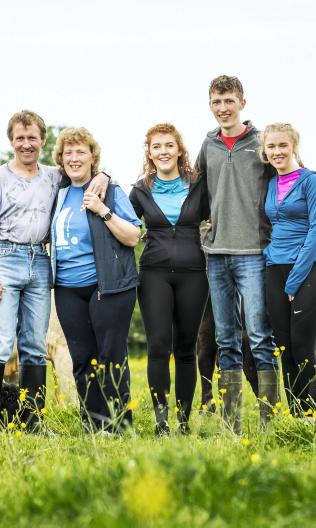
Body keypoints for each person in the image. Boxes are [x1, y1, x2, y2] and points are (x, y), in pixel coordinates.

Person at [0, 111, 109, 432]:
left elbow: (85, 174)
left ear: (42, 140)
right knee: (0, 341)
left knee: (34, 342)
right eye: (20, 138)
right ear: (11, 141)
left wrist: (104, 176)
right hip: (4, 256)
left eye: (32, 138)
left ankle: (32, 421)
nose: (26, 144)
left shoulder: (52, 177)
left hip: (41, 260)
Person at [195, 75, 281, 433]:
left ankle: (270, 423)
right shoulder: (208, 144)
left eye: (229, 101)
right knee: (224, 339)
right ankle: (232, 423)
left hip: (254, 252)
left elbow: (291, 177)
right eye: (216, 102)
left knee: (260, 336)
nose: (223, 108)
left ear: (242, 103)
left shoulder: (262, 144)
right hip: (216, 254)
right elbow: (195, 189)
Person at [50, 127, 141, 433]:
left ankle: (119, 425)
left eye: (80, 152)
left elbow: (133, 236)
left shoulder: (111, 192)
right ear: (60, 159)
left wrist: (103, 211)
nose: (74, 158)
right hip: (66, 288)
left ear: (92, 157)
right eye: (68, 153)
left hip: (109, 286)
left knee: (111, 355)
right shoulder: (58, 192)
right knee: (82, 358)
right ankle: (93, 424)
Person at [129, 123, 209, 435]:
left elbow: (223, 210)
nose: (163, 152)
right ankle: (162, 423)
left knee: (187, 349)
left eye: (168, 146)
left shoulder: (198, 185)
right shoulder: (139, 190)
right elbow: (121, 222)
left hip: (194, 274)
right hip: (154, 274)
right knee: (159, 346)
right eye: (157, 147)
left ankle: (184, 421)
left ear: (179, 150)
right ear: (149, 153)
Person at [261, 123, 316, 416]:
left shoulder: (311, 181)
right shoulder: (271, 183)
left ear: (294, 147)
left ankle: (312, 416)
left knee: (303, 348)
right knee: (285, 350)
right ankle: (297, 417)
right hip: (274, 269)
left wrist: (293, 283)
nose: (277, 152)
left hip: (309, 270)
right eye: (271, 147)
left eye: (282, 146)